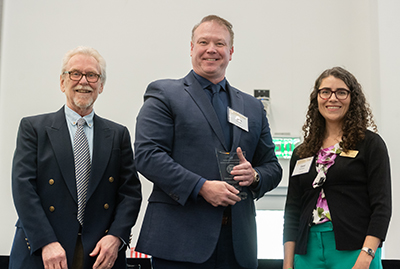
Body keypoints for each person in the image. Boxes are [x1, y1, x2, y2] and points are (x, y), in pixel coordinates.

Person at [134, 15, 282, 269]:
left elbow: (272, 167)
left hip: (237, 245)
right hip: (179, 242)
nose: (211, 49)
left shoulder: (253, 107)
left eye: (220, 43)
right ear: (191, 48)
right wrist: (201, 187)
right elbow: (148, 155)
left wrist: (255, 176)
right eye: (203, 42)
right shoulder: (164, 94)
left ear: (231, 52)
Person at [9, 46, 142, 269]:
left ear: (101, 86)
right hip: (43, 250)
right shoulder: (34, 128)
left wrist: (116, 237)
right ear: (62, 82)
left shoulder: (118, 134)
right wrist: (46, 242)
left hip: (99, 252)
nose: (83, 81)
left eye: (92, 75)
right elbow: (23, 189)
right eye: (75, 74)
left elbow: (130, 192)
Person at [283, 67, 391, 269]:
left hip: (355, 250)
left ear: (352, 98)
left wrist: (366, 256)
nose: (332, 98)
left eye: (341, 92)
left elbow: (382, 207)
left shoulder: (370, 144)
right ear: (317, 97)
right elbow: (292, 210)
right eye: (325, 92)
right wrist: (288, 263)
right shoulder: (302, 152)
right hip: (307, 253)